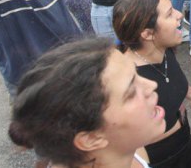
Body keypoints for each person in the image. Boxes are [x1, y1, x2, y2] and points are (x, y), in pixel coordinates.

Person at [9, 38, 163, 168]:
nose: (152, 85)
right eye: (130, 93)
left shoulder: (130, 150)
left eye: (136, 74)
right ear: (91, 139)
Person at [114, 0, 191, 168]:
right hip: (159, 159)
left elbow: (170, 81)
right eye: (170, 13)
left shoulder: (162, 50)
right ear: (148, 33)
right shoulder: (124, 79)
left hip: (185, 141)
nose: (180, 15)